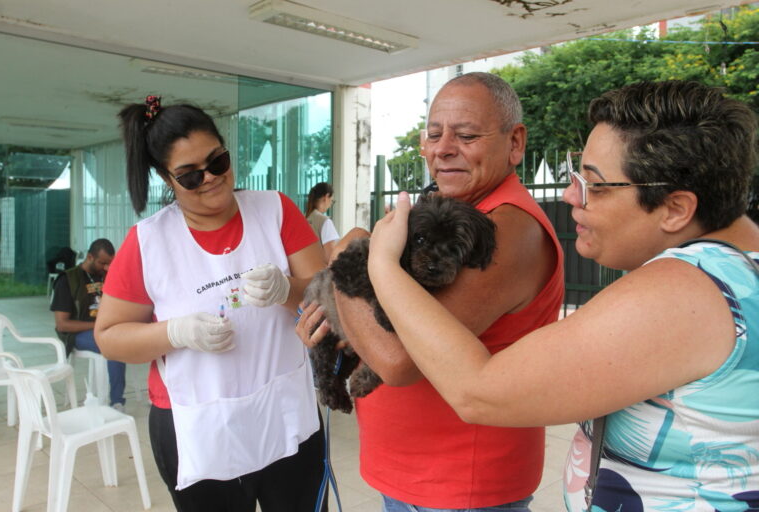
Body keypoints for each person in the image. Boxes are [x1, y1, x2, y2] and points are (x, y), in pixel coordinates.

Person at [366, 80, 759, 511]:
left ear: (676, 209)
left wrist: (379, 263)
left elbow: (476, 390)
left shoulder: (687, 288)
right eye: (575, 175)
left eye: (593, 183)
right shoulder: (738, 266)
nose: (571, 195)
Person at [298, 72, 565, 511]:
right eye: (434, 134)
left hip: (459, 481)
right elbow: (386, 315)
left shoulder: (506, 226)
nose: (443, 148)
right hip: (414, 472)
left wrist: (350, 258)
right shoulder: (455, 210)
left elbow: (398, 358)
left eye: (467, 135)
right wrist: (342, 327)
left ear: (515, 142)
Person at [94, 96, 328, 512]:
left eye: (217, 162)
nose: (210, 179)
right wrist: (176, 332)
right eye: (189, 176)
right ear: (168, 179)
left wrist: (286, 288)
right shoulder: (148, 243)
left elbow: (326, 291)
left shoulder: (275, 211)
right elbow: (110, 337)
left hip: (285, 412)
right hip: (195, 425)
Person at [50, 238, 126, 410]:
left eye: (110, 264)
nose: (106, 267)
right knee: (112, 344)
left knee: (125, 340)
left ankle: (118, 400)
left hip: (105, 328)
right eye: (103, 263)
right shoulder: (67, 280)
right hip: (76, 334)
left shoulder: (107, 276)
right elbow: (62, 324)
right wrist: (97, 326)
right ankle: (117, 402)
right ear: (90, 257)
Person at [305, 182, 340, 263]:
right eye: (332, 201)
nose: (331, 205)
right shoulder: (325, 222)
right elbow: (330, 258)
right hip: (320, 272)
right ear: (326, 197)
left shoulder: (304, 218)